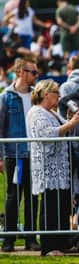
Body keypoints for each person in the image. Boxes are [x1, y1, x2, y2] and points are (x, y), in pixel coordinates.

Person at [27, 80, 79, 255]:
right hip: (48, 168)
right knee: (50, 207)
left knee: (62, 206)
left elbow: (58, 129)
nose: (59, 97)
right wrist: (70, 124)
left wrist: (67, 120)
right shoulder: (36, 112)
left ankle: (61, 243)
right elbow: (46, 134)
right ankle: (49, 246)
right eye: (56, 93)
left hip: (60, 168)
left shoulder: (50, 112)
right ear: (45, 94)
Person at [0, 57, 40, 252]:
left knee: (32, 197)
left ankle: (31, 238)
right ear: (21, 72)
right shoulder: (6, 97)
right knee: (13, 196)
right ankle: (9, 238)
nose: (36, 76)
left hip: (33, 153)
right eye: (33, 72)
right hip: (14, 154)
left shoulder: (35, 96)